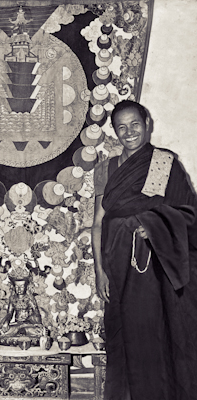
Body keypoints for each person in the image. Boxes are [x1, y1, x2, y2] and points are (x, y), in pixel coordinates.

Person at [92, 100, 197, 400]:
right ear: (114, 132)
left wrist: (154, 223)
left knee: (158, 335)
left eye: (135, 124)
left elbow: (190, 213)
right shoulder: (106, 168)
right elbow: (98, 223)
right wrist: (100, 272)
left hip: (158, 267)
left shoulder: (165, 163)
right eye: (121, 127)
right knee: (123, 338)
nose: (129, 132)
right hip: (118, 264)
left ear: (147, 123)